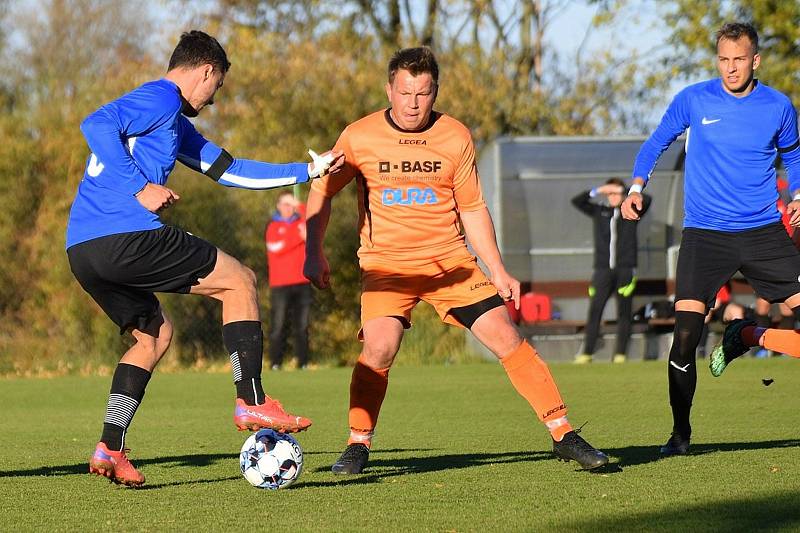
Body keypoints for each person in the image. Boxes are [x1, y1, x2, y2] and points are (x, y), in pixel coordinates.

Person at [303, 46, 608, 475]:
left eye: (423, 93)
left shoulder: (455, 136)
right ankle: (357, 443)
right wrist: (312, 251)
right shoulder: (358, 136)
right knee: (380, 346)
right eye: (405, 92)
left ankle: (563, 432)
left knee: (505, 334)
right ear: (389, 88)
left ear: (435, 92)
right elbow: (321, 190)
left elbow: (472, 210)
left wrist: (497, 269)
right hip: (387, 266)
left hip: (451, 263)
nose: (413, 102)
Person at [66, 30, 342, 486]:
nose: (213, 100)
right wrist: (141, 187)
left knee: (153, 336)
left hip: (84, 250)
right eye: (216, 88)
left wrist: (307, 170)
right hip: (125, 236)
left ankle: (109, 448)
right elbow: (95, 124)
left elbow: (231, 171)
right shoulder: (161, 98)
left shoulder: (174, 125)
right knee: (240, 281)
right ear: (205, 72)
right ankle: (251, 398)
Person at [623, 22, 800, 456]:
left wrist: (798, 193)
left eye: (739, 59)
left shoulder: (778, 106)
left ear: (755, 60)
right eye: (723, 59)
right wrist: (635, 187)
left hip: (763, 233)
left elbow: (794, 154)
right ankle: (680, 435)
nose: (731, 68)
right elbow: (656, 142)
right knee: (685, 335)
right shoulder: (694, 99)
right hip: (705, 235)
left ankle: (748, 336)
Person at [572, 178, 651, 364]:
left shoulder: (631, 211)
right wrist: (598, 189)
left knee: (624, 313)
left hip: (625, 270)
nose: (613, 197)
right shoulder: (600, 211)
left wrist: (626, 190)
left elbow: (647, 200)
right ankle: (587, 353)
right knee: (595, 311)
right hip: (602, 271)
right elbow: (577, 201)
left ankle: (620, 355)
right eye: (610, 193)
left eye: (616, 193)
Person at [265, 191, 313, 370]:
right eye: (285, 204)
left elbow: (312, 215)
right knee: (278, 325)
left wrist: (299, 203)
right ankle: (276, 362)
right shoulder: (273, 226)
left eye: (290, 205)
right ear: (278, 206)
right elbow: (276, 247)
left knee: (302, 326)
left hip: (302, 281)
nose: (288, 208)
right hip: (280, 285)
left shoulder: (301, 222)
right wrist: (299, 238)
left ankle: (303, 363)